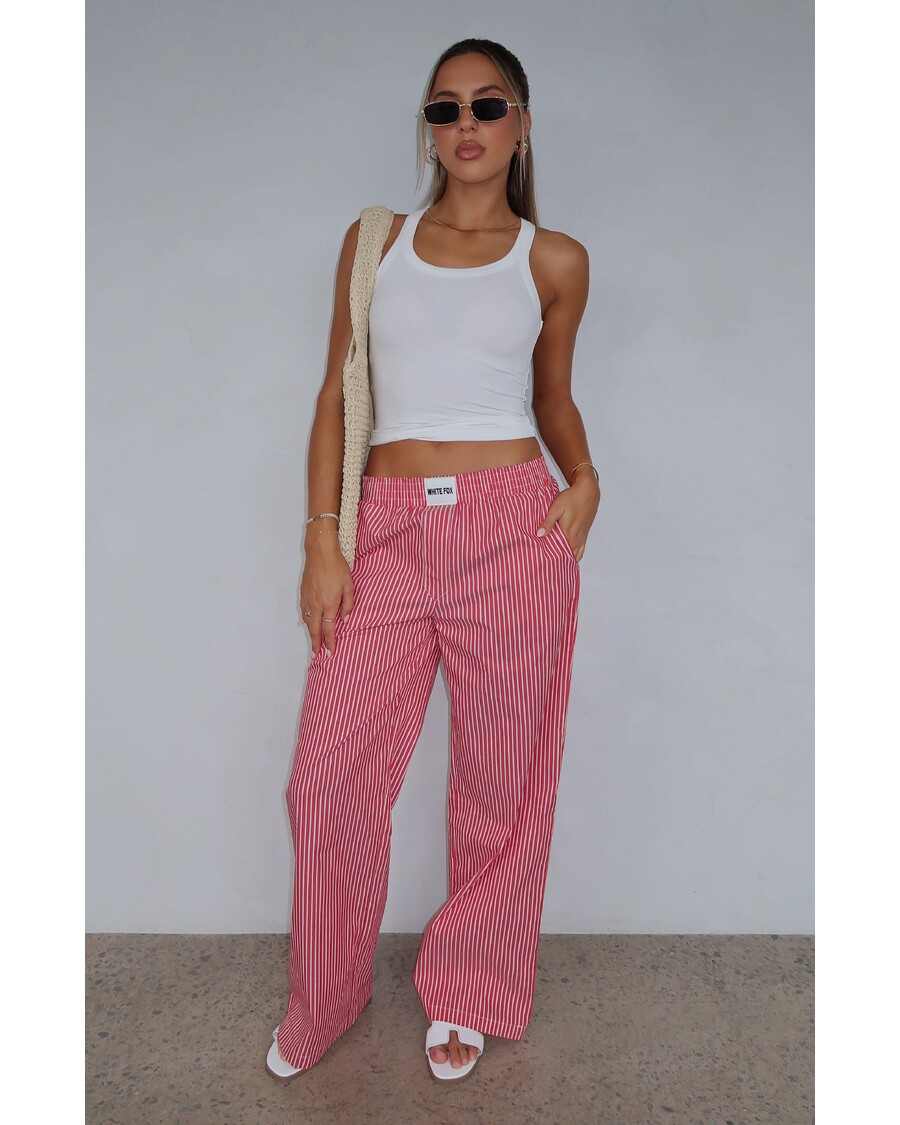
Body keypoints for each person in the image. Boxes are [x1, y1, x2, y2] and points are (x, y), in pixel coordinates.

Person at [266, 37, 601, 1085]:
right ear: (428, 128)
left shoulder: (555, 260)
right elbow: (337, 391)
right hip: (386, 531)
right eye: (445, 107)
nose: (466, 125)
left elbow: (551, 397)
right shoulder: (378, 242)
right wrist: (322, 535)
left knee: (503, 782)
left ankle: (468, 987)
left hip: (514, 528)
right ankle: (325, 996)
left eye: (488, 106)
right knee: (327, 777)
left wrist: (586, 477)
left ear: (522, 125)